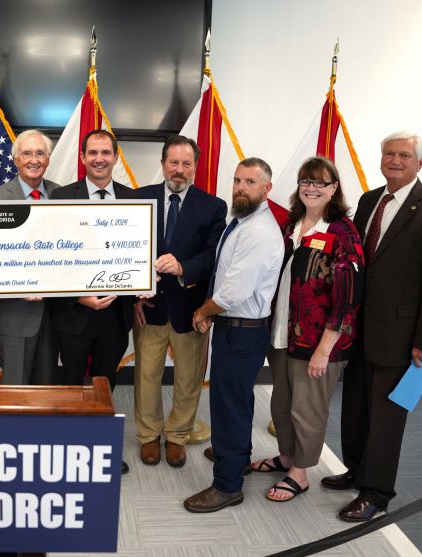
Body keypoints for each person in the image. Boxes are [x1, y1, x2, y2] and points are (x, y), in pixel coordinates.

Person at [322, 132, 422, 521]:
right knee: (355, 407)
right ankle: (356, 471)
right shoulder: (370, 200)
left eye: (404, 155)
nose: (395, 160)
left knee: (386, 416)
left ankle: (377, 492)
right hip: (359, 328)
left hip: (402, 335)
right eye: (389, 153)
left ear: (420, 163)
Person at [251, 157, 364, 503]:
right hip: (282, 335)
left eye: (320, 182)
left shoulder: (342, 232)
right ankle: (286, 457)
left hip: (317, 343)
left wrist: (324, 350)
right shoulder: (291, 225)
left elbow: (348, 298)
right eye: (306, 181)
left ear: (334, 189)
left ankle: (300, 473)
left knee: (307, 410)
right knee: (281, 404)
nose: (312, 188)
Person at [183, 157, 283, 513]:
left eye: (250, 182)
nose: (241, 187)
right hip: (237, 330)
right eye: (238, 180)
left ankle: (227, 486)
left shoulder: (258, 232)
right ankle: (238, 457)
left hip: (241, 332)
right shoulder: (243, 221)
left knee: (228, 408)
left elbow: (232, 293)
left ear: (266, 189)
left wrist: (202, 311)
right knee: (237, 401)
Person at [133, 135, 226, 468]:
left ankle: (177, 436)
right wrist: (134, 295)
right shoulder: (138, 199)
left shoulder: (213, 207)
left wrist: (183, 267)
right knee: (146, 377)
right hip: (149, 307)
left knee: (188, 378)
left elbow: (212, 256)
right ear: (162, 164)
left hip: (192, 309)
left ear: (195, 168)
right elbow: (126, 249)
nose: (179, 170)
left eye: (187, 164)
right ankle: (148, 435)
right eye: (173, 162)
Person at [50, 129, 136, 474]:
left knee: (105, 383)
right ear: (82, 157)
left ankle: (101, 446)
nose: (99, 159)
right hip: (73, 312)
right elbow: (50, 257)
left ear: (115, 157)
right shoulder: (60, 198)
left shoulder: (133, 200)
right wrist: (78, 296)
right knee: (71, 382)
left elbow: (138, 252)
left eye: (106, 152)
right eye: (93, 153)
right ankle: (71, 449)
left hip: (115, 313)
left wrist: (139, 283)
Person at [0, 130, 60, 384]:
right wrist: (18, 284)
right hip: (13, 316)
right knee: (15, 392)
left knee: (46, 391)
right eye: (26, 153)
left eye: (40, 153)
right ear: (15, 159)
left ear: (48, 159)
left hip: (54, 315)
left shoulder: (63, 195)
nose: (33, 160)